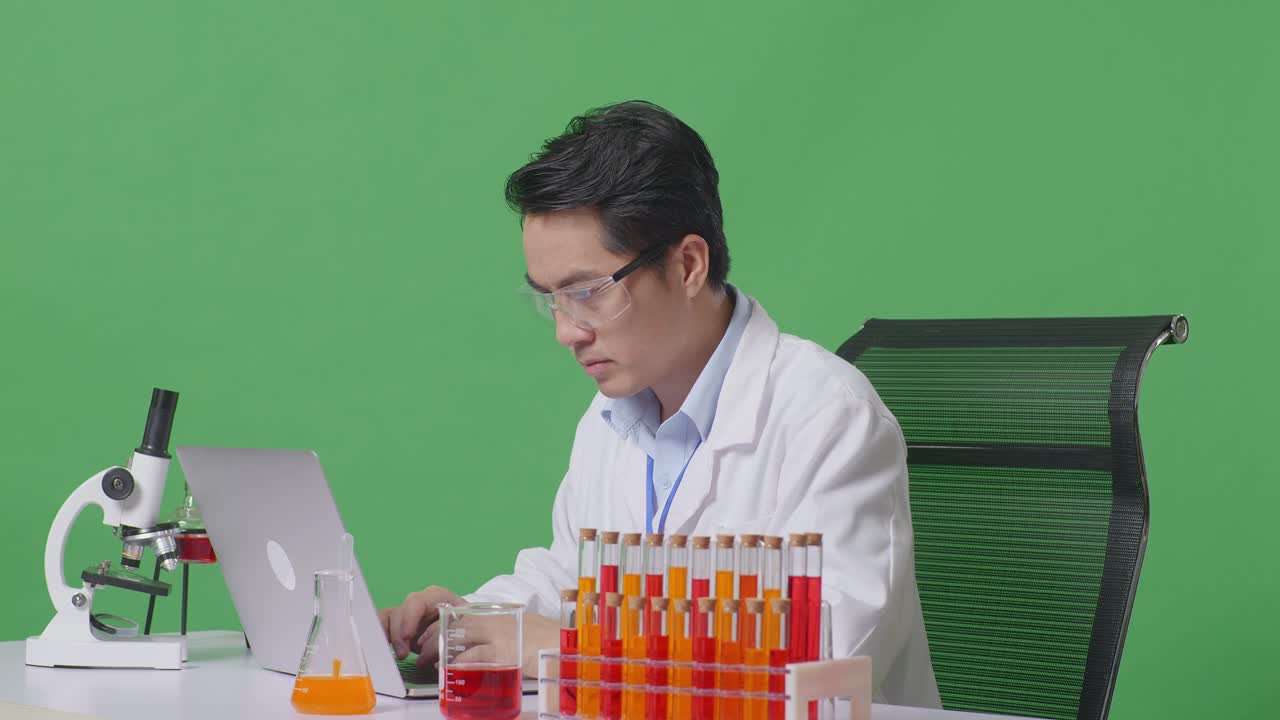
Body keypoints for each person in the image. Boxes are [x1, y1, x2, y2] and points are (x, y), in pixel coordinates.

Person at [378, 100, 940, 707]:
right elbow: (574, 577)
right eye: (550, 300)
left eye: (587, 292)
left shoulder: (827, 416)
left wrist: (565, 648)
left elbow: (827, 663)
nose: (567, 331)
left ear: (689, 264)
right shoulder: (611, 416)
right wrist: (475, 618)